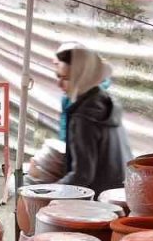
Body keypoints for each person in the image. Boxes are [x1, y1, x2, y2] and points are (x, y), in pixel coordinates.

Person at [54, 44, 131, 194]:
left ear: (82, 77)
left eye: (66, 78)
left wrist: (51, 191)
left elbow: (82, 176)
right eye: (58, 76)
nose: (59, 84)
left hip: (99, 202)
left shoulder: (83, 117)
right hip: (122, 191)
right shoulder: (106, 101)